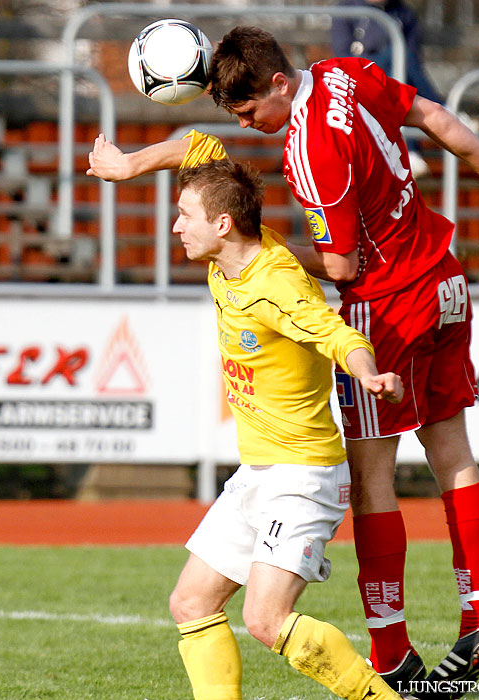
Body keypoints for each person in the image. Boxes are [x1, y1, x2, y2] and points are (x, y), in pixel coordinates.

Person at [206, 26, 479, 700]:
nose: (247, 124)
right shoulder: (344, 71)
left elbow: (342, 264)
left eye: (249, 109)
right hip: (446, 280)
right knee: (453, 451)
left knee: (372, 475)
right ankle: (477, 617)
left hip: (388, 304)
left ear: (280, 84)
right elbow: (432, 116)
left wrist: (271, 257)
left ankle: (390, 651)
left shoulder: (311, 146)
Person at [170, 144, 410, 699]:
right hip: (259, 473)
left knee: (265, 621)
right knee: (191, 602)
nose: (176, 224)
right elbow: (198, 147)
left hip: (302, 479)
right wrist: (130, 164)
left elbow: (337, 334)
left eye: (185, 214)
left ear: (223, 224)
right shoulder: (227, 257)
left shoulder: (276, 280)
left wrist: (368, 374)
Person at [331, 0, 443, 178]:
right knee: (397, 54)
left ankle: (410, 150)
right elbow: (343, 56)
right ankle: (443, 110)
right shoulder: (346, 9)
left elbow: (414, 61)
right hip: (357, 75)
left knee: (399, 64)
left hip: (396, 78)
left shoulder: (404, 13)